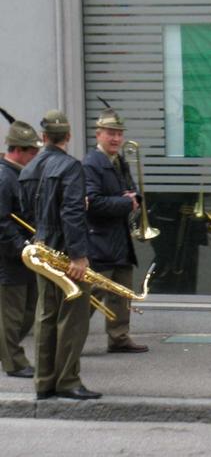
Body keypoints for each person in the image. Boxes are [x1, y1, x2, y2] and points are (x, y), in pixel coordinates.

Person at [19, 110, 101, 400]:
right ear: (68, 136)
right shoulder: (70, 167)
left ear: (43, 137)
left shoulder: (28, 169)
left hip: (42, 248)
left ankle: (44, 381)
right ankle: (67, 380)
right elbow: (72, 213)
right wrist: (78, 256)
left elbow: (27, 212)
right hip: (65, 251)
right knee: (73, 317)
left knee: (46, 315)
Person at [82, 105, 148, 353]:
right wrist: (125, 201)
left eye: (119, 133)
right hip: (99, 239)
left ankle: (119, 337)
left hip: (120, 236)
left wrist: (136, 198)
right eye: (110, 133)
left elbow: (130, 191)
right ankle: (70, 339)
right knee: (94, 294)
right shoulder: (92, 163)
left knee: (122, 290)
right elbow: (92, 202)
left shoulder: (119, 161)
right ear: (98, 134)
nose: (116, 138)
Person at [0, 114, 41, 378]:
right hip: (10, 257)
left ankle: (7, 351)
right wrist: (23, 248)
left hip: (23, 254)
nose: (35, 156)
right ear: (17, 150)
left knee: (28, 310)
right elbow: (1, 223)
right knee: (13, 315)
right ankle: (14, 362)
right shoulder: (5, 179)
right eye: (32, 151)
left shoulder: (18, 174)